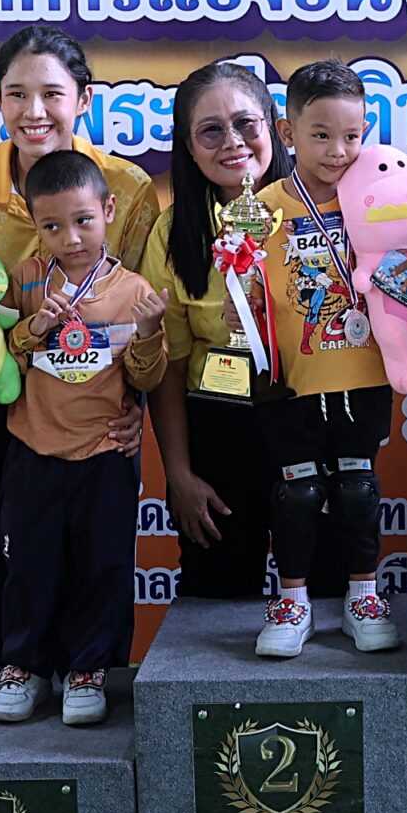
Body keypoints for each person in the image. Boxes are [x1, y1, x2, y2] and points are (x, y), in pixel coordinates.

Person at [0, 26, 149, 663]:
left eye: (52, 93)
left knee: (98, 559)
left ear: (84, 98)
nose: (34, 111)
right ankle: (16, 673)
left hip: (94, 405)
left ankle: (93, 680)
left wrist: (137, 406)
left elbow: (135, 308)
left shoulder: (126, 187)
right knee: (10, 557)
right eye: (16, 94)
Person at [0, 150, 169, 723]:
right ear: (34, 223)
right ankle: (26, 667)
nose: (70, 238)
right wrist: (32, 327)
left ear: (108, 210)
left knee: (103, 566)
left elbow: (146, 379)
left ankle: (90, 670)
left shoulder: (133, 290)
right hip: (33, 452)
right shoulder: (24, 279)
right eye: (52, 226)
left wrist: (149, 331)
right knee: (29, 566)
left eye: (84, 220)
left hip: (105, 454)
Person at [250, 61, 406, 657]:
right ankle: (292, 601)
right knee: (295, 493)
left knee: (358, 489)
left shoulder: (378, 192)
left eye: (351, 135)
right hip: (292, 379)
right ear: (287, 133)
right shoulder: (260, 208)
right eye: (321, 135)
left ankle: (363, 595)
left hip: (364, 372)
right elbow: (241, 286)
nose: (338, 151)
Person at [141, 61, 288, 603]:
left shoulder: (317, 214)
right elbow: (171, 366)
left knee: (324, 589)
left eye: (246, 123)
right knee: (217, 593)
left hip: (305, 418)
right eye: (210, 131)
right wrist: (179, 474)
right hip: (218, 425)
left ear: (274, 126)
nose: (232, 142)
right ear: (188, 145)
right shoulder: (172, 233)